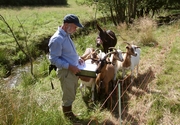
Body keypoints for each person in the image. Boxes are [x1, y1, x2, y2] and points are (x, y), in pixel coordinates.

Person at [48, 14, 84, 120]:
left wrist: (77, 58)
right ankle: (69, 118)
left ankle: (70, 114)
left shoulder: (66, 35)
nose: (76, 29)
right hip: (66, 72)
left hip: (71, 71)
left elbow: (68, 53)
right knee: (68, 96)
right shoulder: (57, 39)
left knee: (71, 93)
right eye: (75, 26)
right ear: (67, 25)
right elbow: (53, 59)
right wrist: (70, 66)